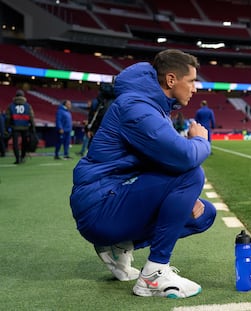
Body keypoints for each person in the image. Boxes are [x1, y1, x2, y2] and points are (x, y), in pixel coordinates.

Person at [70, 49, 216, 299]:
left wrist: (183, 197)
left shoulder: (153, 107)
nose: (195, 88)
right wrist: (201, 141)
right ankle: (154, 275)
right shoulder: (136, 107)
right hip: (99, 206)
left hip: (115, 197)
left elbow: (160, 161)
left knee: (204, 214)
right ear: (171, 80)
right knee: (192, 173)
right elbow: (183, 157)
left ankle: (118, 245)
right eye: (191, 81)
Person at [5, 90, 35, 164]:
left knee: (15, 143)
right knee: (24, 143)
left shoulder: (11, 105)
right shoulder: (27, 105)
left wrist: (7, 127)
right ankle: (22, 157)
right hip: (25, 126)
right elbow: (31, 117)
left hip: (15, 126)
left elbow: (7, 118)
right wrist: (32, 126)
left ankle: (17, 159)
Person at [86, 83, 115, 147]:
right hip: (110, 132)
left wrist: (89, 129)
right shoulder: (115, 101)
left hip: (97, 130)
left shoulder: (97, 101)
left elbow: (91, 117)